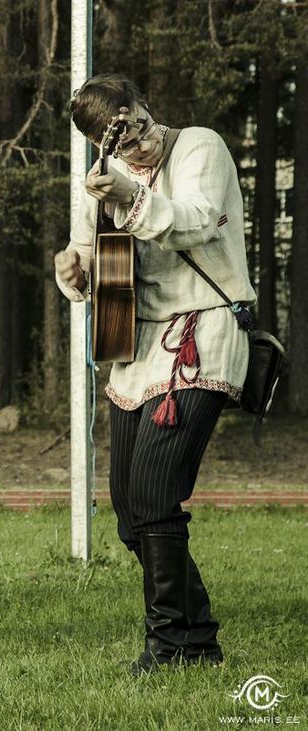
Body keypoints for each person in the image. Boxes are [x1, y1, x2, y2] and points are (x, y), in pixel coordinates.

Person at [55, 74, 256, 674]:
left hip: (203, 329)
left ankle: (168, 644)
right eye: (122, 140)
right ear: (101, 143)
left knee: (155, 495)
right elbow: (88, 254)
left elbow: (195, 220)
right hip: (133, 344)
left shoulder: (199, 145)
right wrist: (74, 270)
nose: (138, 143)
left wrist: (126, 191)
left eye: (138, 124)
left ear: (142, 106)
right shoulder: (95, 181)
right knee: (127, 510)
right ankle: (199, 637)